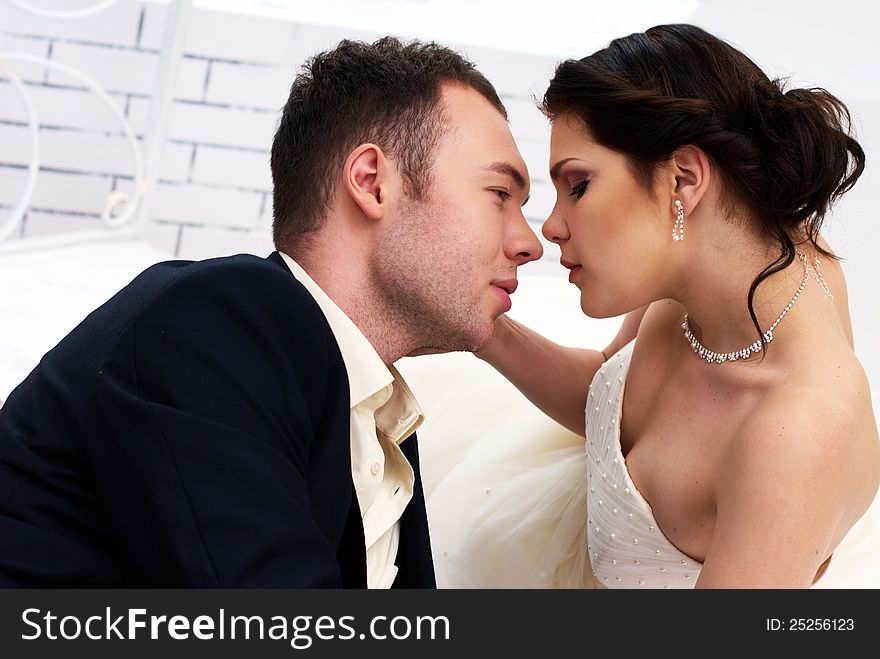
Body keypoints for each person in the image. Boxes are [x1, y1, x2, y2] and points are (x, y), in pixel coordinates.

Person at [0, 37, 542, 587]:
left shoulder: (378, 419)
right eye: (499, 193)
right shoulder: (215, 322)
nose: (530, 243)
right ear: (372, 183)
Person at [429, 24, 880, 588]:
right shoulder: (731, 256)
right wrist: (483, 329)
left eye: (578, 185)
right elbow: (609, 398)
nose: (551, 227)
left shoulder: (794, 436)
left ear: (684, 178)